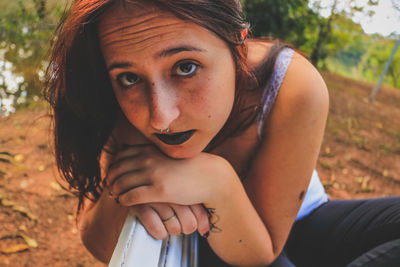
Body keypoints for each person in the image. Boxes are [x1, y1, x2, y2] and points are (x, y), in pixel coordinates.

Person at [44, 0, 400, 266]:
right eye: (129, 77)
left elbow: (266, 246)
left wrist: (218, 182)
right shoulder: (121, 108)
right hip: (209, 243)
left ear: (238, 45)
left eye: (185, 67)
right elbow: (100, 240)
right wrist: (128, 186)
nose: (160, 118)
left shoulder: (292, 85)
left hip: (298, 223)